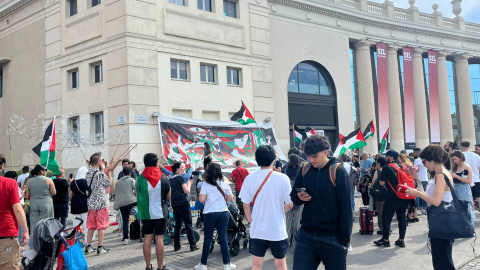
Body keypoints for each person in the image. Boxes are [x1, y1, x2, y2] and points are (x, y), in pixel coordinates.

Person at [291, 136, 352, 270]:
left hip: (333, 238)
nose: (311, 160)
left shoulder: (338, 171)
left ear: (325, 152)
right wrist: (299, 197)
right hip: (306, 236)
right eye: (308, 156)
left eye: (314, 156)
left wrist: (344, 242)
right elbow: (293, 197)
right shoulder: (305, 169)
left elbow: (346, 209)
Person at [240, 145, 293, 270]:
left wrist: (250, 220)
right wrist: (279, 210)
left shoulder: (249, 178)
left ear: (257, 160)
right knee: (281, 263)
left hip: (257, 229)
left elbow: (245, 204)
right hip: (277, 229)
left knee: (257, 264)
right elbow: (289, 205)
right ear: (273, 160)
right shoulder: (283, 178)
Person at [405, 145, 455, 270]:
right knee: (442, 257)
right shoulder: (441, 174)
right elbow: (437, 197)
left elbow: (436, 201)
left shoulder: (441, 175)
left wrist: (417, 193)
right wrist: (421, 192)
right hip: (442, 219)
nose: (424, 165)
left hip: (441, 220)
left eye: (424, 162)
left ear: (432, 160)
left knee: (442, 260)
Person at [195, 163, 236, 270]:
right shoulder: (224, 183)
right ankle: (227, 264)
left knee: (208, 239)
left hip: (209, 214)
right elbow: (230, 198)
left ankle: (203, 264)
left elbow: (202, 200)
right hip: (223, 212)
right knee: (223, 238)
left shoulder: (205, 184)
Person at [137, 153, 171, 270]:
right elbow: (168, 196)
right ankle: (160, 267)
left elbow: (137, 193)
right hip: (161, 212)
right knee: (159, 238)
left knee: (147, 238)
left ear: (145, 163)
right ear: (157, 163)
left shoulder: (140, 178)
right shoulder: (163, 177)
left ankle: (148, 266)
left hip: (146, 213)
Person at [374, 150, 409, 248]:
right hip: (403, 196)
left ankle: (385, 240)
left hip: (392, 197)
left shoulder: (386, 167)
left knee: (386, 218)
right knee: (402, 218)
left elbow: (381, 183)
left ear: (391, 157)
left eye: (387, 156)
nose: (385, 158)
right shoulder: (403, 166)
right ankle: (401, 240)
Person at [0, 154, 29, 270]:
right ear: (2, 166)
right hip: (6, 233)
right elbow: (17, 209)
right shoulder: (9, 183)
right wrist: (25, 231)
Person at [84, 152, 113, 255]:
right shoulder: (100, 173)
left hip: (91, 203)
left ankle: (88, 246)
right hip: (101, 203)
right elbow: (109, 183)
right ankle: (100, 247)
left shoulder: (88, 173)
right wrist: (107, 171)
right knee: (102, 225)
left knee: (91, 225)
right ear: (99, 162)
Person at [169, 162, 198, 252]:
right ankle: (192, 245)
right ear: (177, 169)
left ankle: (176, 246)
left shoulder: (170, 178)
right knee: (188, 223)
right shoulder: (180, 178)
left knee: (177, 225)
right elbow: (186, 191)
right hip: (183, 203)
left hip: (175, 203)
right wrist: (189, 184)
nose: (184, 170)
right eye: (182, 168)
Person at [26, 164, 56, 235]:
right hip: (46, 202)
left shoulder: (29, 180)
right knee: (46, 222)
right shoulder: (48, 180)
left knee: (34, 223)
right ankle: (46, 238)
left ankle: (34, 239)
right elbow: (53, 193)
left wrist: (27, 204)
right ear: (41, 171)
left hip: (33, 203)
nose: (46, 171)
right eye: (45, 170)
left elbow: (27, 195)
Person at [450, 151, 476, 225]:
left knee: (466, 206)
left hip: (463, 187)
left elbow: (469, 181)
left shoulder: (467, 167)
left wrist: (456, 176)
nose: (454, 161)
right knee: (456, 207)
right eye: (453, 160)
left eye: (455, 159)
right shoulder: (455, 166)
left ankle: (470, 225)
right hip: (455, 187)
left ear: (461, 158)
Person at [70, 167, 95, 242]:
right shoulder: (85, 181)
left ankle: (76, 238)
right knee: (86, 221)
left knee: (76, 222)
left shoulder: (73, 182)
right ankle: (89, 238)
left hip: (74, 203)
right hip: (84, 202)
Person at [113, 167, 137, 245]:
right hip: (131, 202)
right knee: (136, 212)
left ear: (123, 173)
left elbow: (115, 192)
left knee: (125, 220)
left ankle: (125, 238)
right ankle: (140, 222)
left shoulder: (118, 181)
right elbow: (136, 190)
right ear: (130, 173)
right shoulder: (131, 180)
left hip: (122, 204)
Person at [398, 154, 420, 223]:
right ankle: (415, 216)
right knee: (414, 199)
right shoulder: (411, 164)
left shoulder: (403, 165)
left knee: (409, 200)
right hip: (414, 182)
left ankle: (410, 216)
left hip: (408, 182)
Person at [460, 141, 480, 212]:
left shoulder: (460, 155)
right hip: (476, 179)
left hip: (465, 179)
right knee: (478, 197)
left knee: (470, 198)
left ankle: (472, 213)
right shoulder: (476, 156)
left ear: (462, 146)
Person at [370, 156, 387, 235]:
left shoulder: (378, 171)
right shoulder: (387, 169)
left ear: (379, 163)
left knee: (380, 213)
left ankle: (382, 229)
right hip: (386, 194)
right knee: (386, 212)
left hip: (379, 194)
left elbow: (373, 182)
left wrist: (370, 186)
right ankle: (387, 228)